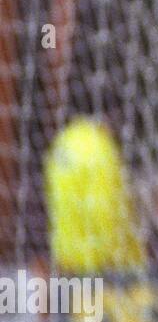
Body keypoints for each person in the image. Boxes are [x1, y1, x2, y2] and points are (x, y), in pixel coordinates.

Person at [44, 116, 145, 274]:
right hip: (107, 267)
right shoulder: (100, 146)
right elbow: (105, 210)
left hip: (68, 262)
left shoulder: (63, 141)